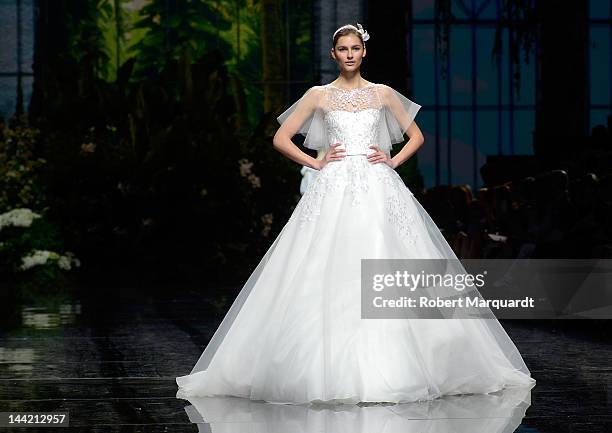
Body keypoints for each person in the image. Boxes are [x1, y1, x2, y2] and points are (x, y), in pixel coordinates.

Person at [176, 22, 536, 405]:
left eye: (355, 48)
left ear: (364, 52)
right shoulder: (318, 95)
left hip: (378, 185)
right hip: (333, 186)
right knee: (323, 265)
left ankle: (406, 362)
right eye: (342, 49)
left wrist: (393, 160)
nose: (349, 54)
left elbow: (417, 135)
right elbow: (280, 138)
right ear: (334, 55)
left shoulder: (381, 94)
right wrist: (314, 164)